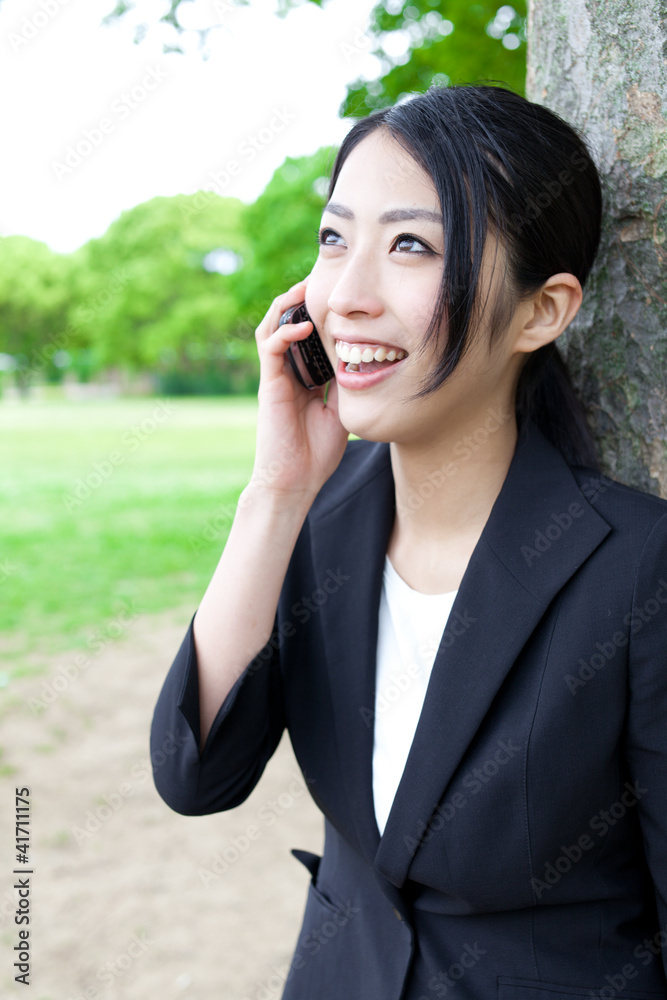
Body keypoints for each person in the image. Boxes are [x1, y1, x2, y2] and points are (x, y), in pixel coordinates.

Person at [150, 84, 667, 998]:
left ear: (540, 312)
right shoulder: (319, 517)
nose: (345, 295)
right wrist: (276, 492)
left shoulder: (636, 569)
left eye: (411, 246)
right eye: (334, 238)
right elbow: (198, 775)